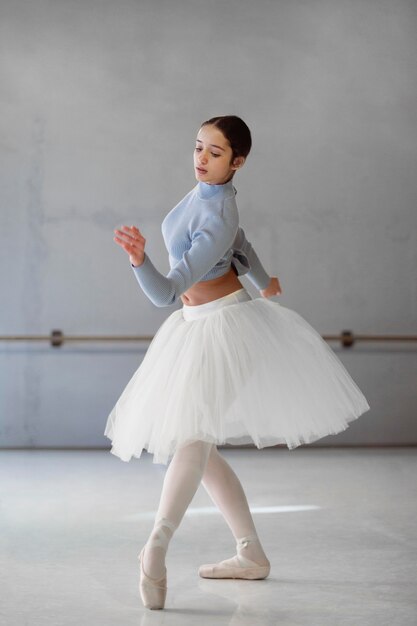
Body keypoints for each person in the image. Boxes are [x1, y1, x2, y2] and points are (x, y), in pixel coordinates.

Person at [105, 115, 370, 610]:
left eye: (216, 153)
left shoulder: (217, 214)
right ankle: (251, 553)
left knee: (193, 438)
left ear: (238, 161)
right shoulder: (213, 197)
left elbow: (165, 294)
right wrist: (265, 279)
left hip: (225, 328)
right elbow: (242, 243)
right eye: (199, 147)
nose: (202, 159)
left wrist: (140, 261)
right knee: (201, 448)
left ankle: (155, 547)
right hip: (195, 328)